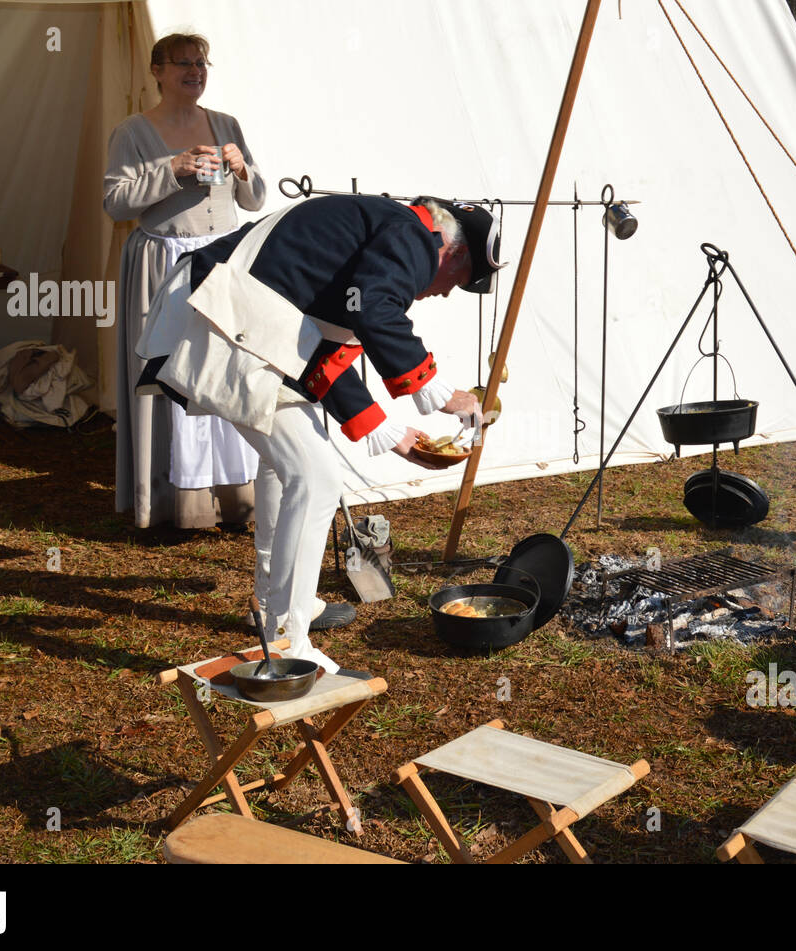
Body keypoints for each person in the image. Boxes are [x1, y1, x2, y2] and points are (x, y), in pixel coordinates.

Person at [136, 194, 504, 671]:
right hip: (220, 315)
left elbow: (315, 358)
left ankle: (278, 611)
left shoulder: (369, 239)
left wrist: (390, 433)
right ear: (453, 252)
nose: (449, 292)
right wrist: (439, 392)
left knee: (284, 468)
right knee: (316, 479)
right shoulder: (413, 233)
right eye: (461, 280)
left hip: (227, 315)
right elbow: (376, 312)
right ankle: (290, 639)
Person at [104, 33, 265, 530]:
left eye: (201, 63)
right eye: (183, 64)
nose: (195, 71)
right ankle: (176, 502)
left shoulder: (225, 124)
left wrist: (242, 171)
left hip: (221, 261)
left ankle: (237, 497)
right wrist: (172, 169)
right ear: (157, 71)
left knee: (226, 371)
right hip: (164, 262)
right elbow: (116, 202)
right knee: (172, 373)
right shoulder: (132, 131)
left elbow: (254, 199)